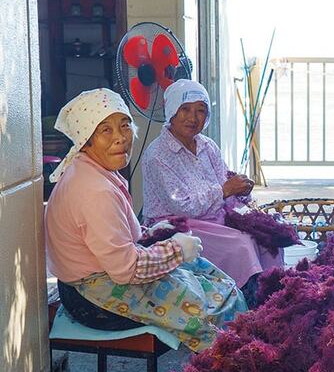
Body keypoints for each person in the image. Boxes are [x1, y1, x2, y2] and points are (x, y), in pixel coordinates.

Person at [45, 88, 247, 353]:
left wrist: (152, 232)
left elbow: (114, 234)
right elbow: (126, 270)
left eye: (125, 126)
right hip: (93, 295)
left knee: (207, 273)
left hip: (103, 275)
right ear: (86, 139)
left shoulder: (93, 171)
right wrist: (175, 250)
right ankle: (229, 363)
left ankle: (234, 350)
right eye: (105, 130)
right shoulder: (95, 190)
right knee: (208, 305)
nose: (120, 138)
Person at [141, 80, 282, 304]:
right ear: (171, 112)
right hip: (176, 224)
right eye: (185, 109)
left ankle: (273, 301)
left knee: (270, 234)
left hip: (213, 216)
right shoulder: (157, 155)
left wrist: (242, 190)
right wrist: (225, 190)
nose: (192, 117)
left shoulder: (207, 145)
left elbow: (225, 181)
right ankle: (244, 308)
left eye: (200, 111)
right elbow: (183, 205)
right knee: (242, 245)